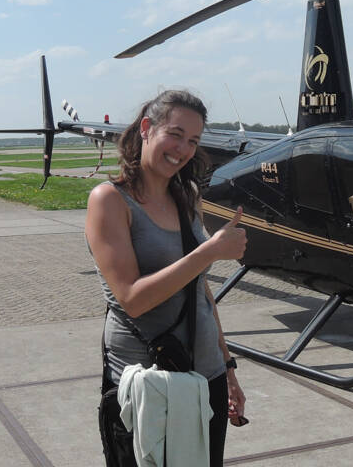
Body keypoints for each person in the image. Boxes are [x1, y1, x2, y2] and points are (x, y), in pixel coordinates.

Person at [86, 89, 247, 466]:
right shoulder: (109, 201)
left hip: (205, 377)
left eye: (193, 140)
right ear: (146, 128)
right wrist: (210, 250)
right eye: (175, 134)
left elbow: (200, 292)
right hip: (147, 381)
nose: (183, 148)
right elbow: (132, 297)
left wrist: (227, 367)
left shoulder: (186, 196)